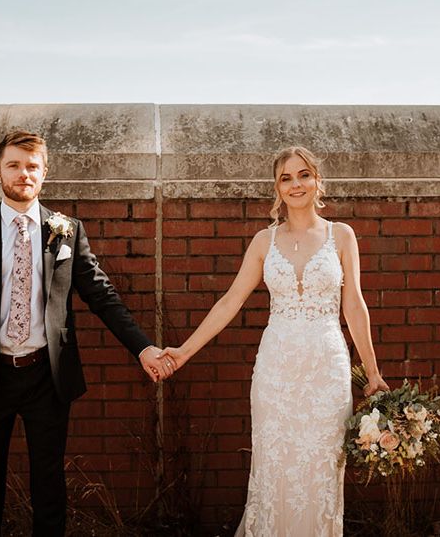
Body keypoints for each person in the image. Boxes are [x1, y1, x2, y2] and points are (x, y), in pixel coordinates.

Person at [0, 130, 174, 536]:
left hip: (46, 376)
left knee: (48, 486)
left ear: (45, 172)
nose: (23, 174)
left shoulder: (65, 230)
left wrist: (143, 348)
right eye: (14, 165)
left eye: (32, 166)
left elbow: (101, 294)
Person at [158, 146, 389, 536]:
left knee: (321, 470)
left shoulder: (342, 237)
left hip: (325, 370)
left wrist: (373, 374)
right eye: (286, 178)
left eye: (303, 175)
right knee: (274, 467)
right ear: (277, 188)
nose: (296, 184)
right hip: (276, 371)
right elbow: (230, 300)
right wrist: (183, 352)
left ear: (318, 181)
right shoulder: (264, 242)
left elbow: (355, 306)